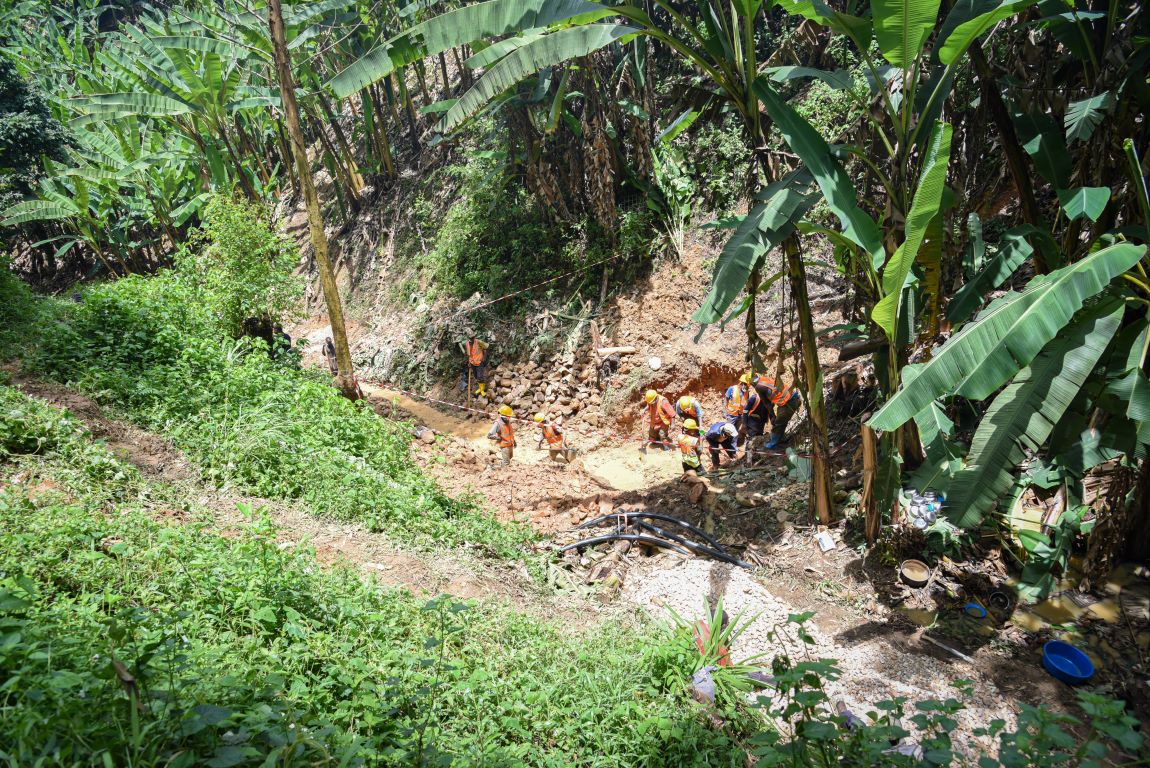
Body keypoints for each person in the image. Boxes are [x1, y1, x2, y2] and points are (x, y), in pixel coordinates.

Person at [753, 373, 801, 449]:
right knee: (781, 416)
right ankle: (781, 438)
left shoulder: (758, 387)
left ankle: (774, 444)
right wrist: (772, 415)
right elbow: (772, 398)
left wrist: (773, 416)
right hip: (794, 396)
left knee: (778, 422)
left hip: (789, 402)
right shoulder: (765, 379)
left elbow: (767, 404)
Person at [461, 331, 489, 397]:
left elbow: (487, 348)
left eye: (473, 337)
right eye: (471, 338)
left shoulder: (478, 342)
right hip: (472, 363)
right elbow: (469, 354)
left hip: (479, 362)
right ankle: (481, 388)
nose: (472, 339)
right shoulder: (467, 344)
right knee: (476, 376)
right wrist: (469, 362)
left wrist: (484, 358)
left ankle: (482, 390)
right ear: (468, 338)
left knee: (480, 376)